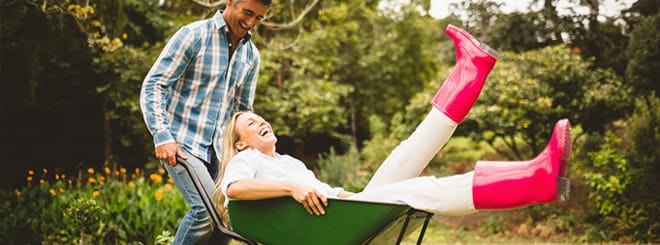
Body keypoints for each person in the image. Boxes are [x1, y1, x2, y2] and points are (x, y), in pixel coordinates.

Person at [214, 25, 571, 220]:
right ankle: (535, 180)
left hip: (341, 213)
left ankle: (471, 69)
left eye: (259, 116)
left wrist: (342, 195)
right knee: (420, 190)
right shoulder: (248, 160)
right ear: (241, 142)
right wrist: (291, 189)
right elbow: (234, 190)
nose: (260, 120)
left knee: (408, 152)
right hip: (326, 231)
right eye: (250, 122)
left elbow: (327, 192)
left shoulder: (287, 162)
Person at [139, 0, 271, 243]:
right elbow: (155, 85)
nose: (251, 23)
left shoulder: (251, 55)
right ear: (231, 2)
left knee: (227, 218)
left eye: (259, 18)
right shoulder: (194, 35)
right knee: (205, 211)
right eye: (248, 13)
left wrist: (251, 155)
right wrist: (161, 135)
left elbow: (242, 112)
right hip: (182, 142)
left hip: (221, 152)